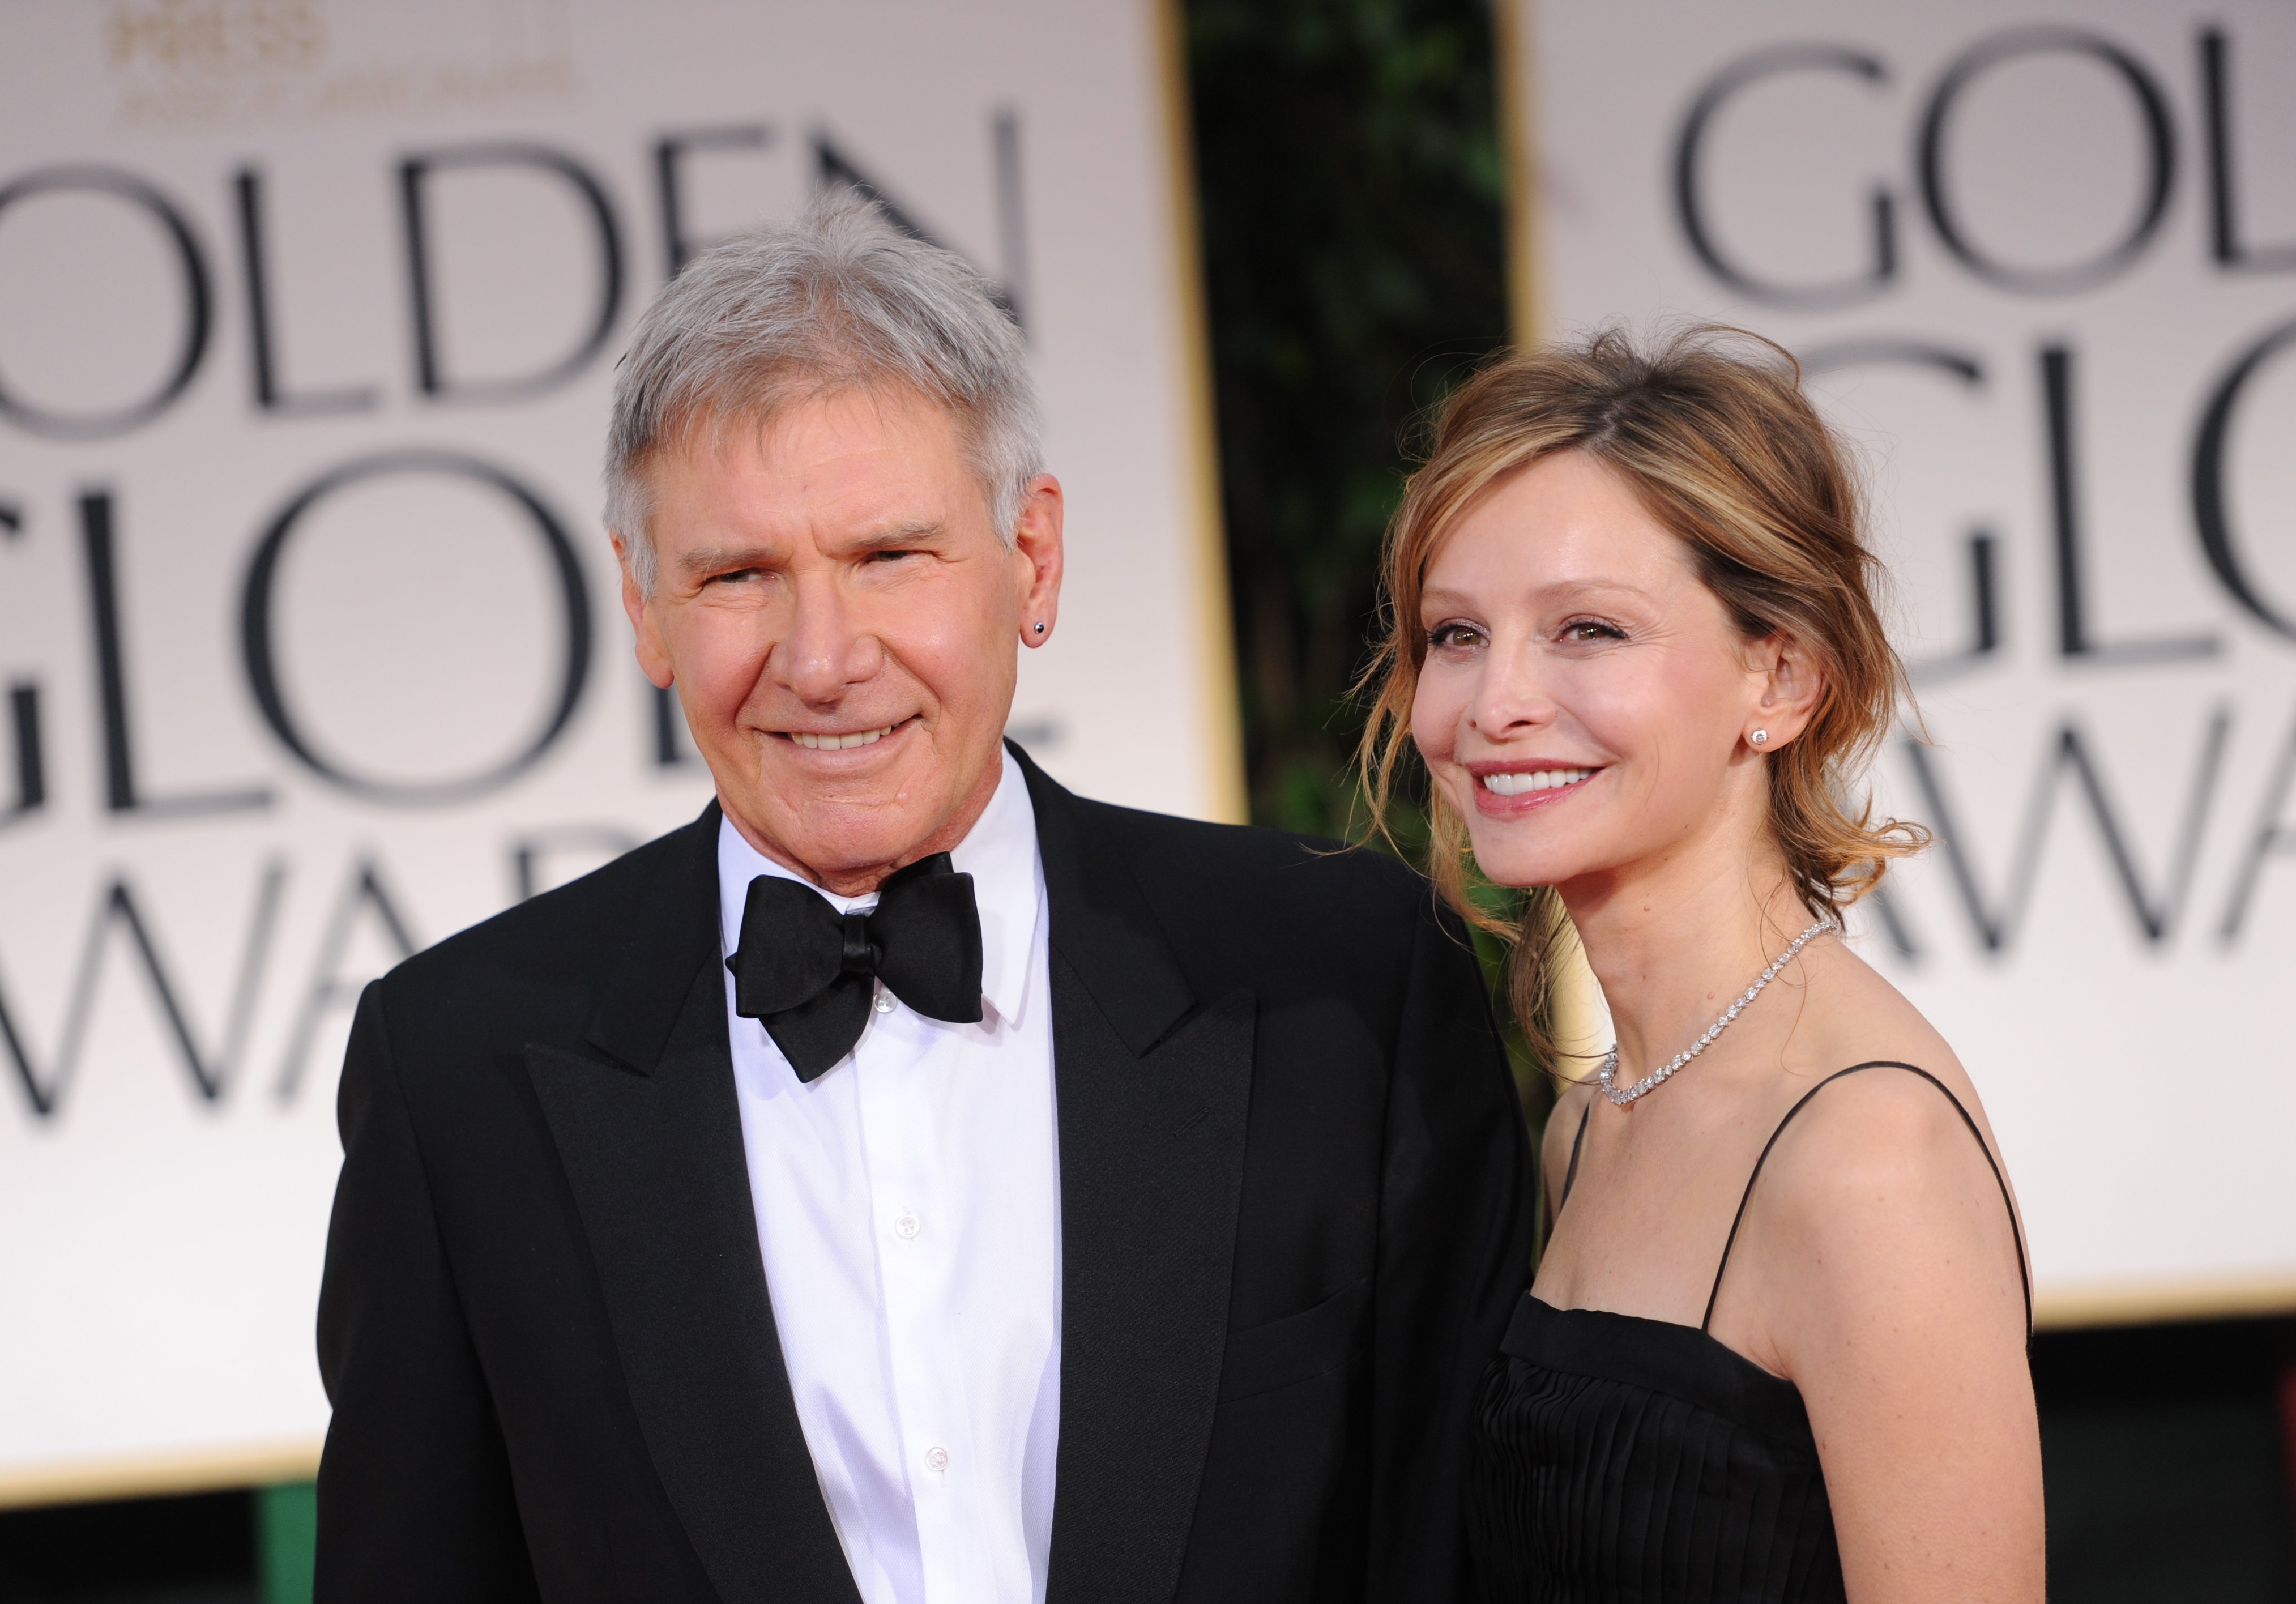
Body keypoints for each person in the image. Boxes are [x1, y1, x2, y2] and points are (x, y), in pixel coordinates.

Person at [312, 191, 1535, 1604]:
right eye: (737, 575)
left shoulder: (1343, 978)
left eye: (889, 556)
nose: (822, 659)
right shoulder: (457, 1067)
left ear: (1034, 558)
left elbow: (1454, 1552)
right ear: (642, 606)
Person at [1358, 328, 2042, 1602]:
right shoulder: (1590, 1120)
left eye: (1587, 631)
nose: (1494, 701)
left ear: (1777, 677)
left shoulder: (1865, 1157)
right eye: (1456, 635)